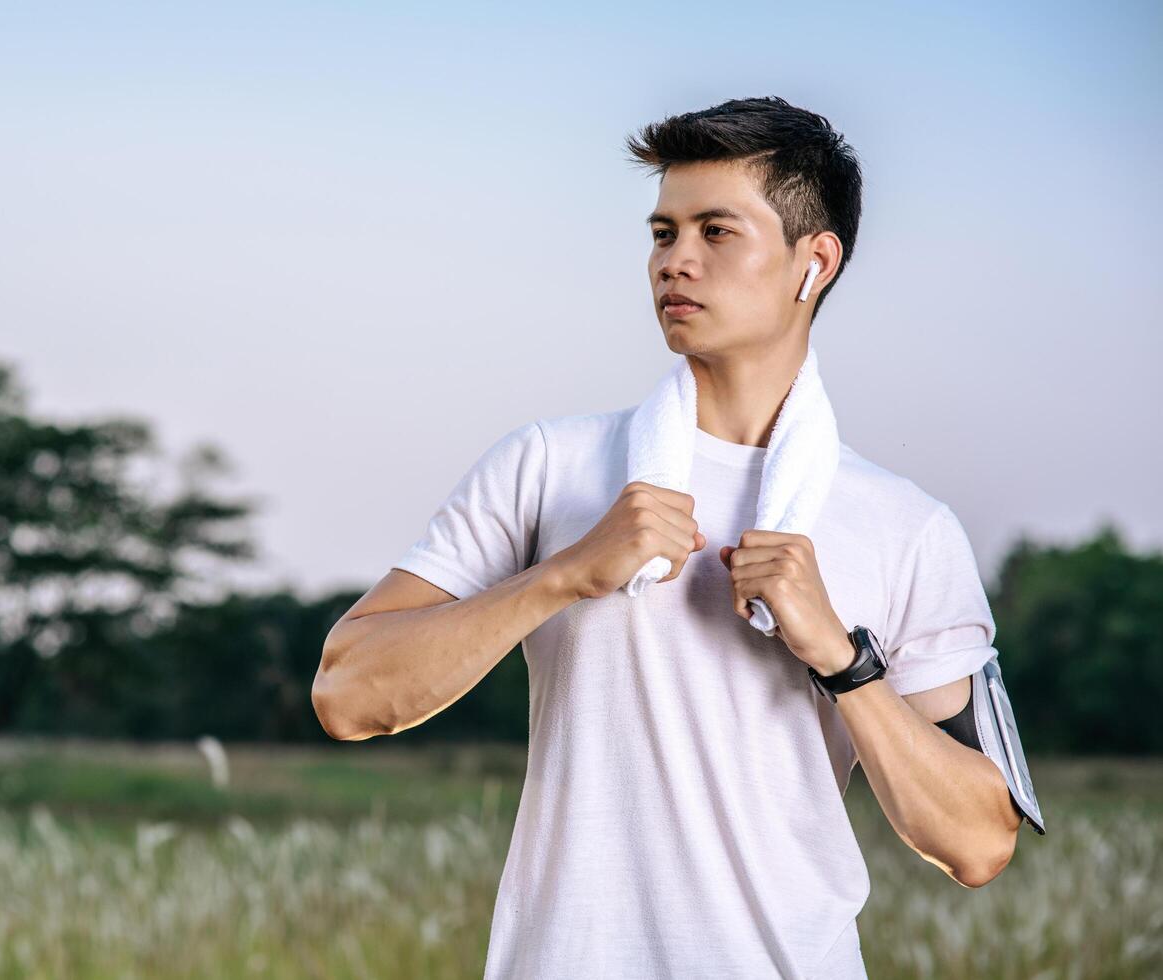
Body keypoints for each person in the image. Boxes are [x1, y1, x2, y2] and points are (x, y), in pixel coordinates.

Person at [311, 95, 1042, 979]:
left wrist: (840, 658)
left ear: (814, 261)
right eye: (662, 233)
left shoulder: (905, 526)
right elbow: (347, 694)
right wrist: (565, 573)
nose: (675, 262)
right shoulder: (552, 465)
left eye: (715, 232)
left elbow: (978, 843)